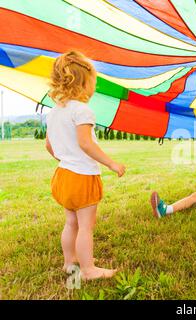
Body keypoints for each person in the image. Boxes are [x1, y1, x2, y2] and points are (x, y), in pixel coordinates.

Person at [46, 51, 126, 280]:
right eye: (94, 83)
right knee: (85, 226)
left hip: (62, 176)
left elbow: (49, 146)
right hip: (81, 177)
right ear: (84, 83)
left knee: (70, 223)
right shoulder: (82, 110)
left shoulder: (54, 112)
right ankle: (89, 270)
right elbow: (86, 144)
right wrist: (112, 163)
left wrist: (66, 159)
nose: (94, 88)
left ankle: (70, 262)